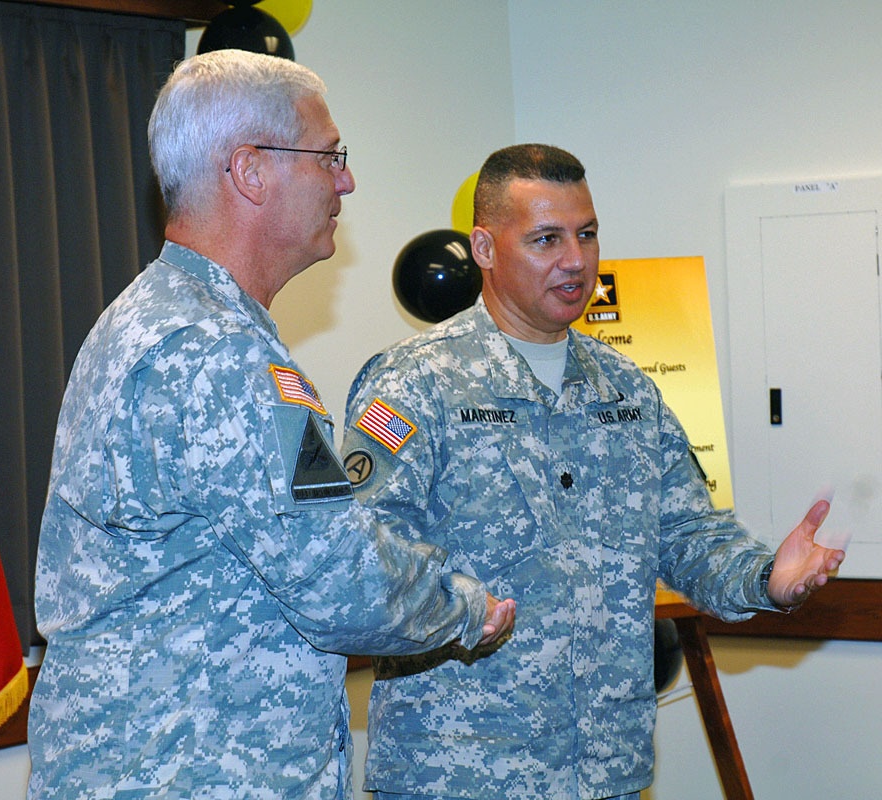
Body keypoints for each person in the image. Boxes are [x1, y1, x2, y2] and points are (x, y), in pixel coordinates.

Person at [26, 50, 515, 800]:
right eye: (330, 157)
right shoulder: (219, 353)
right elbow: (341, 575)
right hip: (199, 776)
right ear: (250, 170)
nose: (346, 181)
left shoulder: (154, 318)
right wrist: (467, 607)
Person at [340, 143, 845, 800]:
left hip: (605, 772)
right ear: (485, 249)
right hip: (462, 777)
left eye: (586, 234)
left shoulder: (627, 390)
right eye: (546, 239)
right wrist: (463, 610)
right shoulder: (417, 384)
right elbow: (364, 556)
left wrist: (763, 577)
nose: (575, 260)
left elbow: (688, 531)